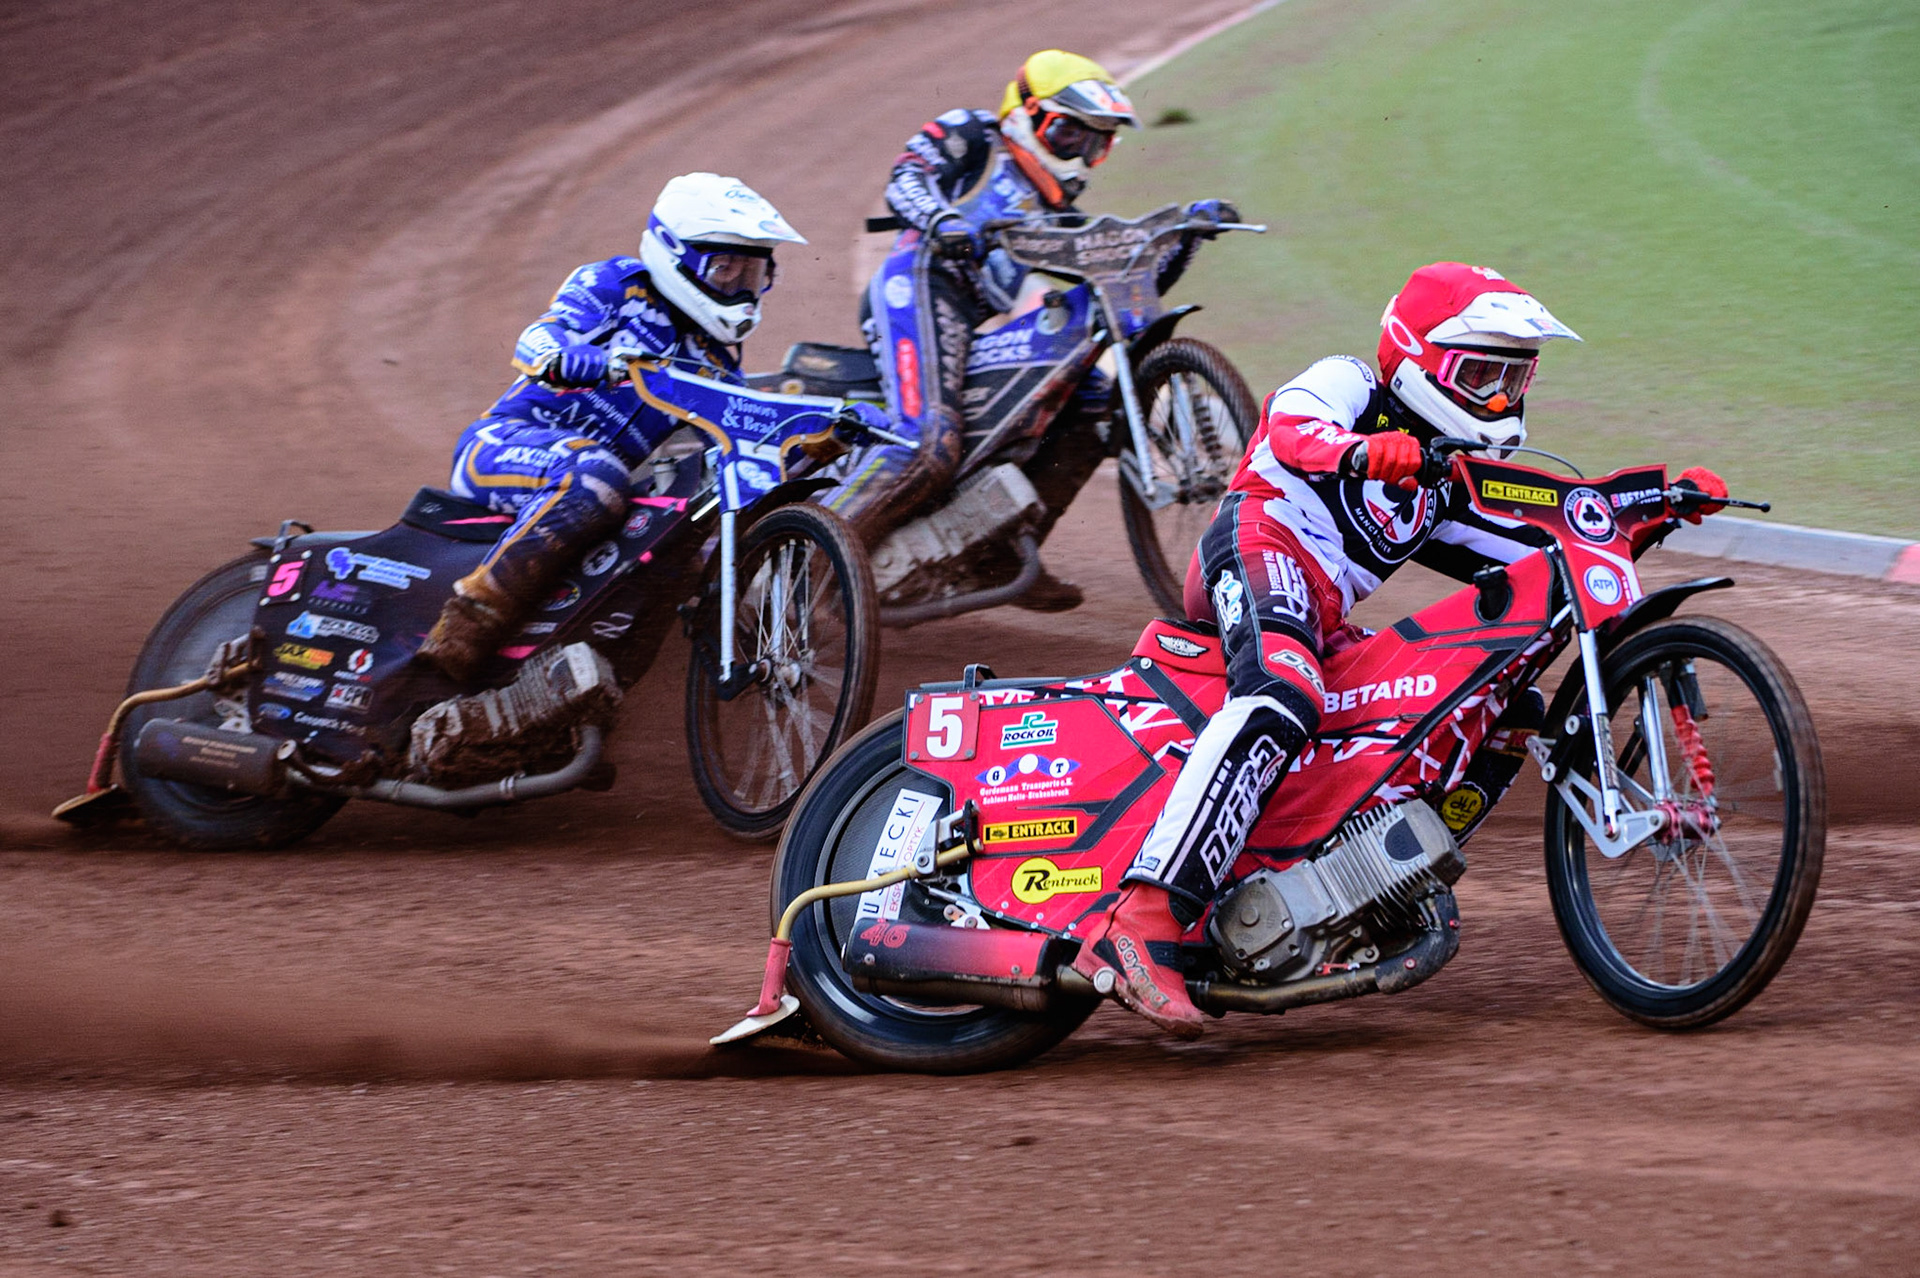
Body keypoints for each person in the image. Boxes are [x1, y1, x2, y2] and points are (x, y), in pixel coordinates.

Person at [1070, 261, 1731, 1037]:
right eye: (1481, 375)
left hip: (1321, 615)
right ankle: (1143, 919)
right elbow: (1291, 429)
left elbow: (1541, 553)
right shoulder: (1351, 383)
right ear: (1418, 359)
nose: (1499, 400)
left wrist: (1646, 509)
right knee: (1282, 693)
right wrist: (1361, 452)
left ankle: (1365, 885)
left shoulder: (1443, 481)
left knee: (1501, 704)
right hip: (1256, 543)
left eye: (1513, 380)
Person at [825, 49, 1232, 608]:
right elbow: (907, 178)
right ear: (1026, 114)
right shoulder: (974, 132)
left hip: (970, 320)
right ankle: (810, 559)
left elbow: (1126, 282)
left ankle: (1000, 554)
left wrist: (1184, 235)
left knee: (1096, 397)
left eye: (1096, 143)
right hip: (916, 283)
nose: (1080, 155)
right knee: (928, 444)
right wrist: (943, 220)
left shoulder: (1056, 216)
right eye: (1070, 134)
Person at [417, 173, 808, 681]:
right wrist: (580, 360)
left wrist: (813, 436)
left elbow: (736, 435)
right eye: (725, 268)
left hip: (600, 483)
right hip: (503, 444)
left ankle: (587, 693)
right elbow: (538, 339)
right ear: (677, 254)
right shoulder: (617, 285)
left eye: (752, 273)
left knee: (678, 540)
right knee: (595, 478)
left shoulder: (715, 358)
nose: (740, 288)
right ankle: (466, 625)